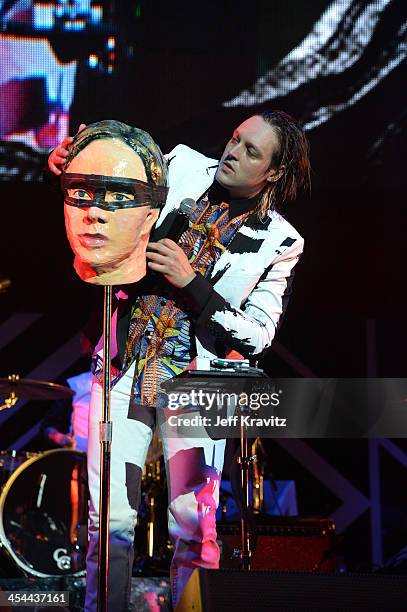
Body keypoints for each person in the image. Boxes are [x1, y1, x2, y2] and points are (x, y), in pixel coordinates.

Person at [49, 110, 311, 611]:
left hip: (199, 385)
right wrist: (72, 167)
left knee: (194, 525)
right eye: (236, 139)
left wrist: (194, 283)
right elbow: (121, 189)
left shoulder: (281, 240)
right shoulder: (185, 167)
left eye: (251, 151)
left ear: (273, 173)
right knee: (112, 520)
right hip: (126, 363)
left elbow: (258, 334)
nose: (233, 152)